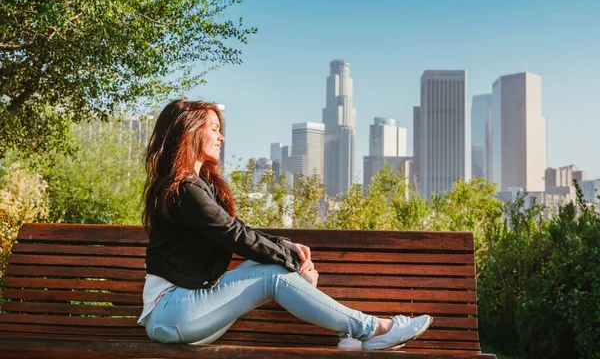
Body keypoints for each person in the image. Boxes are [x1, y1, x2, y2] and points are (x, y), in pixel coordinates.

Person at [137, 99, 433, 350]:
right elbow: (232, 235)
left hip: (185, 313)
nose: (221, 137)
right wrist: (289, 259)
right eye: (214, 129)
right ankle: (373, 328)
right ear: (189, 132)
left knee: (271, 270)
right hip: (173, 313)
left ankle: (348, 334)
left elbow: (235, 227)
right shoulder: (184, 190)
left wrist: (283, 246)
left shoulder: (197, 186)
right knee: (273, 276)